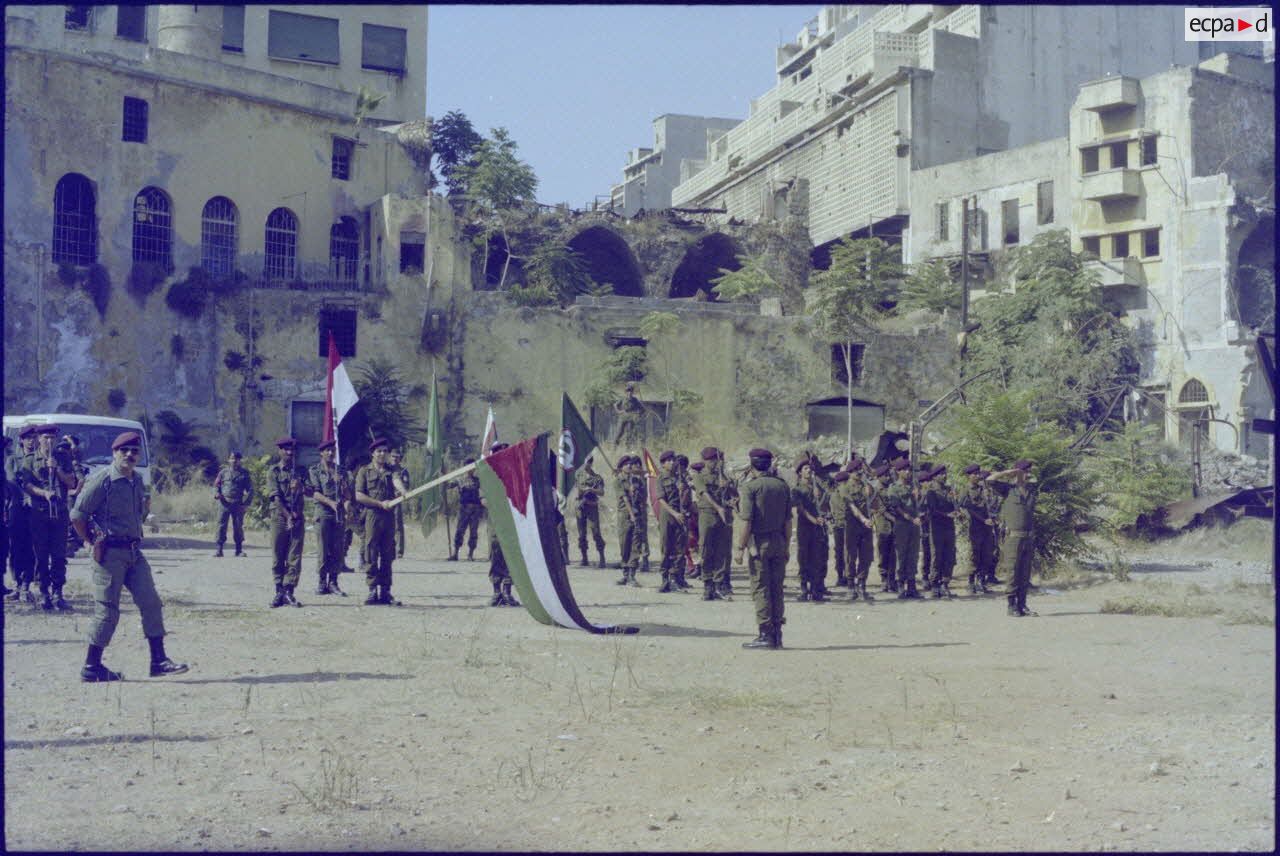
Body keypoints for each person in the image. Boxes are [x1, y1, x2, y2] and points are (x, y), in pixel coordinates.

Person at [70, 431, 187, 682]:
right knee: (108, 611)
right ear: (115, 453)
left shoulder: (137, 481)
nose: (130, 455)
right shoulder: (102, 480)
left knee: (151, 603)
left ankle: (159, 661)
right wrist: (90, 541)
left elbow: (138, 514)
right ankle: (92, 667)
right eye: (124, 451)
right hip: (109, 553)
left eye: (134, 451)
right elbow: (77, 515)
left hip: (133, 552)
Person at [735, 448, 792, 650]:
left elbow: (747, 521)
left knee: (761, 589)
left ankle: (765, 635)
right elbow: (788, 521)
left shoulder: (750, 488)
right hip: (779, 541)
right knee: (777, 588)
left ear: (752, 465)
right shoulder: (782, 487)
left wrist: (740, 548)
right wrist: (786, 545)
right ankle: (777, 634)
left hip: (759, 544)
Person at [18, 424, 77, 611]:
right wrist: (43, 493)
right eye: (45, 437)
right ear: (39, 438)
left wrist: (57, 468)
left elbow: (72, 482)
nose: (49, 441)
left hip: (59, 513)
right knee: (41, 555)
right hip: (39, 513)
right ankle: (44, 593)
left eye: (52, 437)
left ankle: (58, 592)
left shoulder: (63, 457)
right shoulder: (29, 460)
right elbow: (26, 485)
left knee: (59, 555)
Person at [355, 437, 406, 606]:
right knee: (371, 552)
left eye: (385, 451)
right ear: (372, 454)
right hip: (372, 515)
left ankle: (385, 590)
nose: (382, 454)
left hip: (388, 517)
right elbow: (359, 495)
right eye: (379, 451)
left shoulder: (392, 470)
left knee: (387, 553)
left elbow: (396, 481)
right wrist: (379, 503)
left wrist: (403, 492)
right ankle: (372, 590)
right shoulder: (364, 471)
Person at [988, 459, 1039, 617]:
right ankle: (1011, 605)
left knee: (1025, 573)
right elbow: (989, 480)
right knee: (1013, 572)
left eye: (1029, 471)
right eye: (1024, 471)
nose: (1027, 474)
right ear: (1017, 473)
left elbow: (1036, 480)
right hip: (1013, 538)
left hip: (1028, 537)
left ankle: (1022, 604)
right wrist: (1007, 473)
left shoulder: (1032, 490)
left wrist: (1025, 476)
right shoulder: (1007, 489)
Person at [268, 437, 309, 609]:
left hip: (297, 516)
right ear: (280, 451)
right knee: (279, 555)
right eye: (286, 449)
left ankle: (289, 591)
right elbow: (276, 497)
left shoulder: (301, 471)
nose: (289, 453)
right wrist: (288, 516)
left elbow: (311, 491)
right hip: (280, 517)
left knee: (294, 557)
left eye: (292, 450)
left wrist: (300, 487)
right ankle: (279, 591)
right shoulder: (274, 471)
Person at [692, 447, 732, 601]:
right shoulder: (699, 476)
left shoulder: (723, 477)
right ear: (704, 461)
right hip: (708, 515)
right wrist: (718, 508)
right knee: (706, 549)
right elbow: (704, 494)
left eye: (716, 460)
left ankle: (719, 584)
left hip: (723, 516)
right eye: (711, 460)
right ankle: (707, 585)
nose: (714, 463)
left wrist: (728, 488)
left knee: (722, 551)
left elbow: (731, 496)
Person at [309, 440, 348, 596]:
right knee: (323, 549)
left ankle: (333, 582)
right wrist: (330, 502)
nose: (330, 453)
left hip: (338, 514)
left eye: (332, 450)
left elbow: (348, 495)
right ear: (321, 453)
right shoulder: (315, 471)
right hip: (323, 513)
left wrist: (343, 484)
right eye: (327, 451)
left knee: (337, 549)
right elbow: (315, 492)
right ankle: (321, 582)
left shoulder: (341, 471)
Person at [483, 442, 520, 606]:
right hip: (495, 524)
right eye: (498, 453)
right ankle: (496, 593)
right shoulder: (488, 475)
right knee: (496, 556)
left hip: (511, 523)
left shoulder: (514, 475)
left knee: (511, 557)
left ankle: (507, 592)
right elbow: (483, 499)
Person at [5, 426, 38, 602]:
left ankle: (27, 585)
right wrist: (26, 494)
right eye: (28, 438)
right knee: (16, 548)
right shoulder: (12, 459)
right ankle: (17, 585)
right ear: (22, 440)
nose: (32, 441)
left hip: (36, 510)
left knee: (32, 549)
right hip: (17, 509)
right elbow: (11, 482)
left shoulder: (40, 459)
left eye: (34, 437)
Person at [883, 458, 924, 599]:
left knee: (913, 555)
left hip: (914, 525)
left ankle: (911, 586)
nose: (908, 472)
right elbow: (897, 507)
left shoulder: (914, 486)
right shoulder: (893, 488)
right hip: (902, 524)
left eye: (909, 469)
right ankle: (900, 585)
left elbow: (919, 505)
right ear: (898, 472)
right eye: (905, 470)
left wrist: (918, 497)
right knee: (901, 555)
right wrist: (911, 518)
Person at [922, 465, 962, 599]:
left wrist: (956, 508)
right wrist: (947, 514)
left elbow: (955, 505)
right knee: (936, 555)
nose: (944, 476)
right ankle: (934, 584)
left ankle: (945, 583)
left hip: (949, 526)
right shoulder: (930, 491)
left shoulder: (949, 490)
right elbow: (932, 510)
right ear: (934, 476)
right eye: (941, 474)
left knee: (949, 555)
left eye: (945, 473)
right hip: (936, 526)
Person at [958, 464, 997, 594]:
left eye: (978, 473)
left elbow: (990, 506)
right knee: (974, 554)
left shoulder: (984, 489)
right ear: (969, 476)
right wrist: (983, 520)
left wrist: (992, 518)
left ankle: (981, 581)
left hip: (987, 526)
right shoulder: (966, 490)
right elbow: (968, 508)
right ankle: (971, 582)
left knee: (986, 554)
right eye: (974, 474)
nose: (978, 476)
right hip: (976, 525)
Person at [791, 459, 826, 603]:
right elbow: (800, 509)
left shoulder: (817, 487)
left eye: (810, 469)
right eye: (805, 468)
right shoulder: (797, 489)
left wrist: (821, 497)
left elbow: (825, 504)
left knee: (816, 558)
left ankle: (816, 589)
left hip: (817, 528)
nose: (809, 471)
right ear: (800, 472)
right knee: (803, 558)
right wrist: (814, 520)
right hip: (805, 527)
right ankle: (804, 589)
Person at [655, 450, 689, 593]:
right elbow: (661, 500)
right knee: (666, 546)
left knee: (680, 547)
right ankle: (665, 579)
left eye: (672, 460)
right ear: (663, 464)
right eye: (668, 461)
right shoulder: (661, 478)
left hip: (680, 515)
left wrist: (684, 491)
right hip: (668, 515)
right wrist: (674, 513)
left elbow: (687, 498)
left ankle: (675, 577)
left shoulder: (680, 478)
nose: (672, 462)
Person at [842, 460, 876, 602]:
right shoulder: (845, 488)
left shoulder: (865, 486)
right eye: (856, 470)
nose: (859, 472)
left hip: (866, 527)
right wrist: (864, 519)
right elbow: (852, 507)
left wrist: (869, 487)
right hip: (852, 526)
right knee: (851, 557)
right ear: (850, 473)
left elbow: (873, 503)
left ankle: (862, 585)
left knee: (866, 556)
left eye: (860, 470)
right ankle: (851, 586)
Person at [212, 450, 253, 558]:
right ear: (228, 460)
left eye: (237, 459)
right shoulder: (223, 473)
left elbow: (250, 490)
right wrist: (217, 494)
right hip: (224, 503)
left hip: (238, 503)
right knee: (221, 525)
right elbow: (216, 485)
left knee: (238, 526)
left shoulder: (244, 473)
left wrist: (246, 503)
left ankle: (238, 550)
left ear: (240, 461)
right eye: (232, 458)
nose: (234, 461)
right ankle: (219, 550)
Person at [615, 456, 647, 587]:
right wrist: (631, 514)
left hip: (637, 515)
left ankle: (632, 575)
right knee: (624, 544)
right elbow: (624, 499)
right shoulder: (618, 481)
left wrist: (636, 492)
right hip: (625, 516)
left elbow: (644, 498)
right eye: (626, 464)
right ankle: (625, 573)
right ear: (621, 467)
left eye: (630, 464)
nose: (629, 466)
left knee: (636, 545)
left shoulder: (637, 480)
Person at [573, 456, 606, 568]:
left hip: (591, 505)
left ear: (591, 463)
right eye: (585, 462)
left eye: (588, 462)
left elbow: (601, 492)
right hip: (580, 505)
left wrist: (591, 490)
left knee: (596, 531)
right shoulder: (578, 474)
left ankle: (602, 557)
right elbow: (578, 487)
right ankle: (584, 558)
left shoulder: (597, 478)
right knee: (581, 534)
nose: (586, 464)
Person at [868, 464, 897, 593]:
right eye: (885, 475)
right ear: (879, 477)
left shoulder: (891, 488)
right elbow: (878, 508)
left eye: (888, 474)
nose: (888, 477)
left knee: (893, 554)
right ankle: (884, 579)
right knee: (883, 553)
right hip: (883, 526)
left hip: (893, 525)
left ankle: (892, 579)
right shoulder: (875, 491)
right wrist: (892, 518)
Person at [448, 460, 484, 561]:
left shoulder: (478, 480)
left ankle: (470, 554)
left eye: (473, 467)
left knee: (473, 532)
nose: (471, 470)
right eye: (469, 467)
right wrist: (444, 476)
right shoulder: (460, 480)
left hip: (475, 510)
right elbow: (449, 485)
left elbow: (484, 491)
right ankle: (455, 554)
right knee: (460, 531)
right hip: (464, 509)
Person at [387, 448, 411, 559]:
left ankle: (399, 551)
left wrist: (399, 491)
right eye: (393, 456)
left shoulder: (403, 471)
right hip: (385, 501)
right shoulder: (386, 469)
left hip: (396, 501)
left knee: (398, 526)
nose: (395, 459)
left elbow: (406, 485)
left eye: (397, 457)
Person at [611, 382, 645, 447]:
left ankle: (628, 448)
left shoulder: (635, 400)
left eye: (630, 391)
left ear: (632, 392)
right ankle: (614, 448)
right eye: (628, 391)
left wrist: (638, 415)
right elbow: (615, 404)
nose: (629, 392)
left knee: (629, 434)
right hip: (623, 417)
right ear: (626, 392)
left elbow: (642, 409)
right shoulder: (623, 398)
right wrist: (618, 411)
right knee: (619, 433)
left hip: (631, 418)